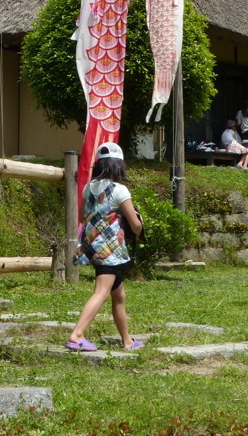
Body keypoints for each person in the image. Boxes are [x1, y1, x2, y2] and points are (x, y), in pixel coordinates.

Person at [67, 141, 145, 351]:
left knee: (118, 295)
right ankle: (77, 335)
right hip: (109, 250)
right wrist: (139, 222)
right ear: (118, 165)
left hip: (91, 246)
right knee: (101, 292)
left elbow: (84, 214)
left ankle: (127, 341)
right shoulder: (120, 190)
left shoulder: (89, 187)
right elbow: (136, 226)